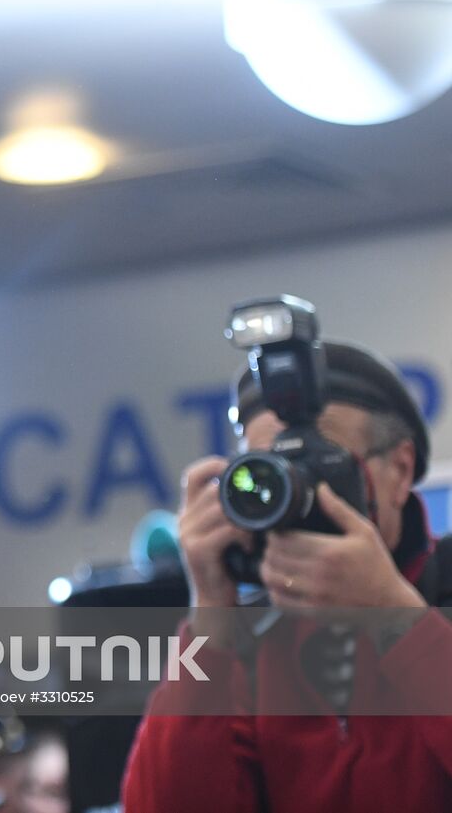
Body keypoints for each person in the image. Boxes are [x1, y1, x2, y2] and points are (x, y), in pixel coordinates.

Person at [122, 340, 452, 811]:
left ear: (399, 471)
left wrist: (396, 617)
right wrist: (211, 617)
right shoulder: (251, 642)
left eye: (320, 462)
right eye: (270, 469)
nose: (295, 492)